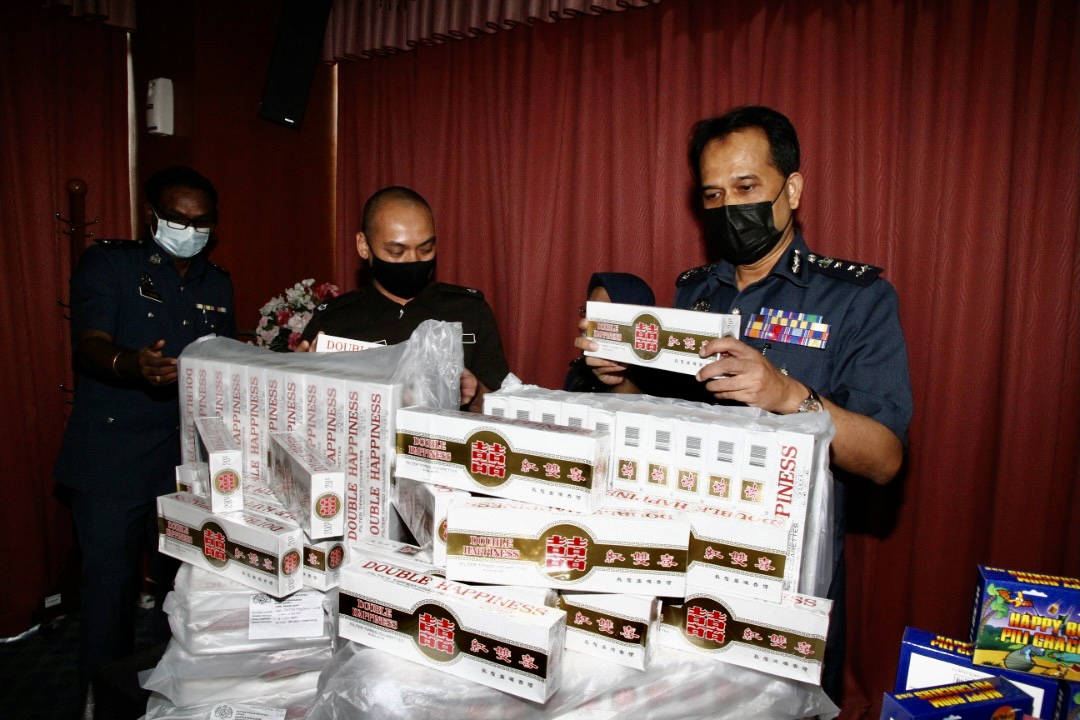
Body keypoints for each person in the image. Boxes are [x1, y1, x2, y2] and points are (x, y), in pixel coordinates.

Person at [576, 106, 913, 703]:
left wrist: (790, 396)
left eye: (747, 187)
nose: (730, 207)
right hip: (680, 565)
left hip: (785, 583)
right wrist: (618, 382)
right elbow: (665, 421)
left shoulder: (856, 300)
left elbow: (885, 459)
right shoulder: (692, 292)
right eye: (713, 194)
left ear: (793, 188)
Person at [54, 166, 236, 697]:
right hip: (111, 457)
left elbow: (221, 362)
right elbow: (87, 344)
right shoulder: (110, 265)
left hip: (182, 461)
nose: (191, 229)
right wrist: (131, 365)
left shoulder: (216, 282)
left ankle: (166, 697)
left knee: (182, 591)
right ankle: (102, 701)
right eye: (178, 219)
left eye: (202, 222)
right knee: (108, 595)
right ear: (152, 217)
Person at [298, 186, 510, 411]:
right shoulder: (333, 321)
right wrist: (295, 380)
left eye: (426, 249)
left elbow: (503, 408)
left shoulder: (470, 310)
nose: (414, 261)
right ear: (363, 246)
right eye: (396, 252)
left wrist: (475, 393)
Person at [564, 272, 655, 393]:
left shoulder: (660, 379)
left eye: (603, 313)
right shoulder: (578, 373)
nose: (589, 321)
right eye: (588, 311)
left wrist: (620, 379)